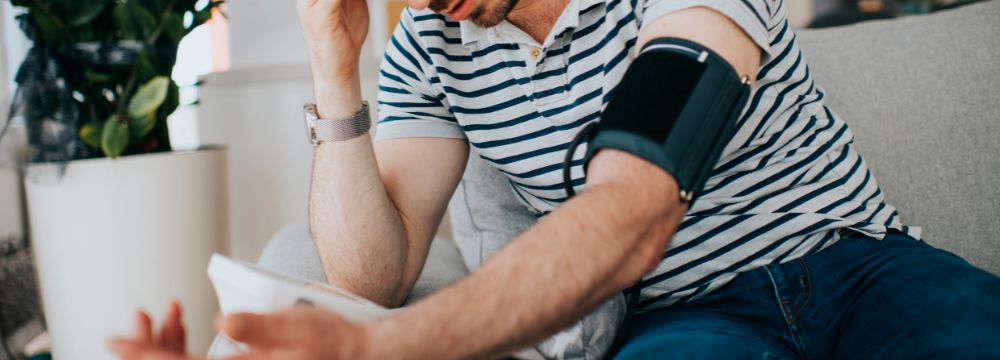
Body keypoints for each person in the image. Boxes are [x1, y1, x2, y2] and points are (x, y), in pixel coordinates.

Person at [108, 0, 1000, 357]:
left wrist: (391, 349)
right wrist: (332, 69)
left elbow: (635, 208)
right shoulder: (432, 45)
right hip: (685, 319)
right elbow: (370, 274)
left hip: (857, 266)